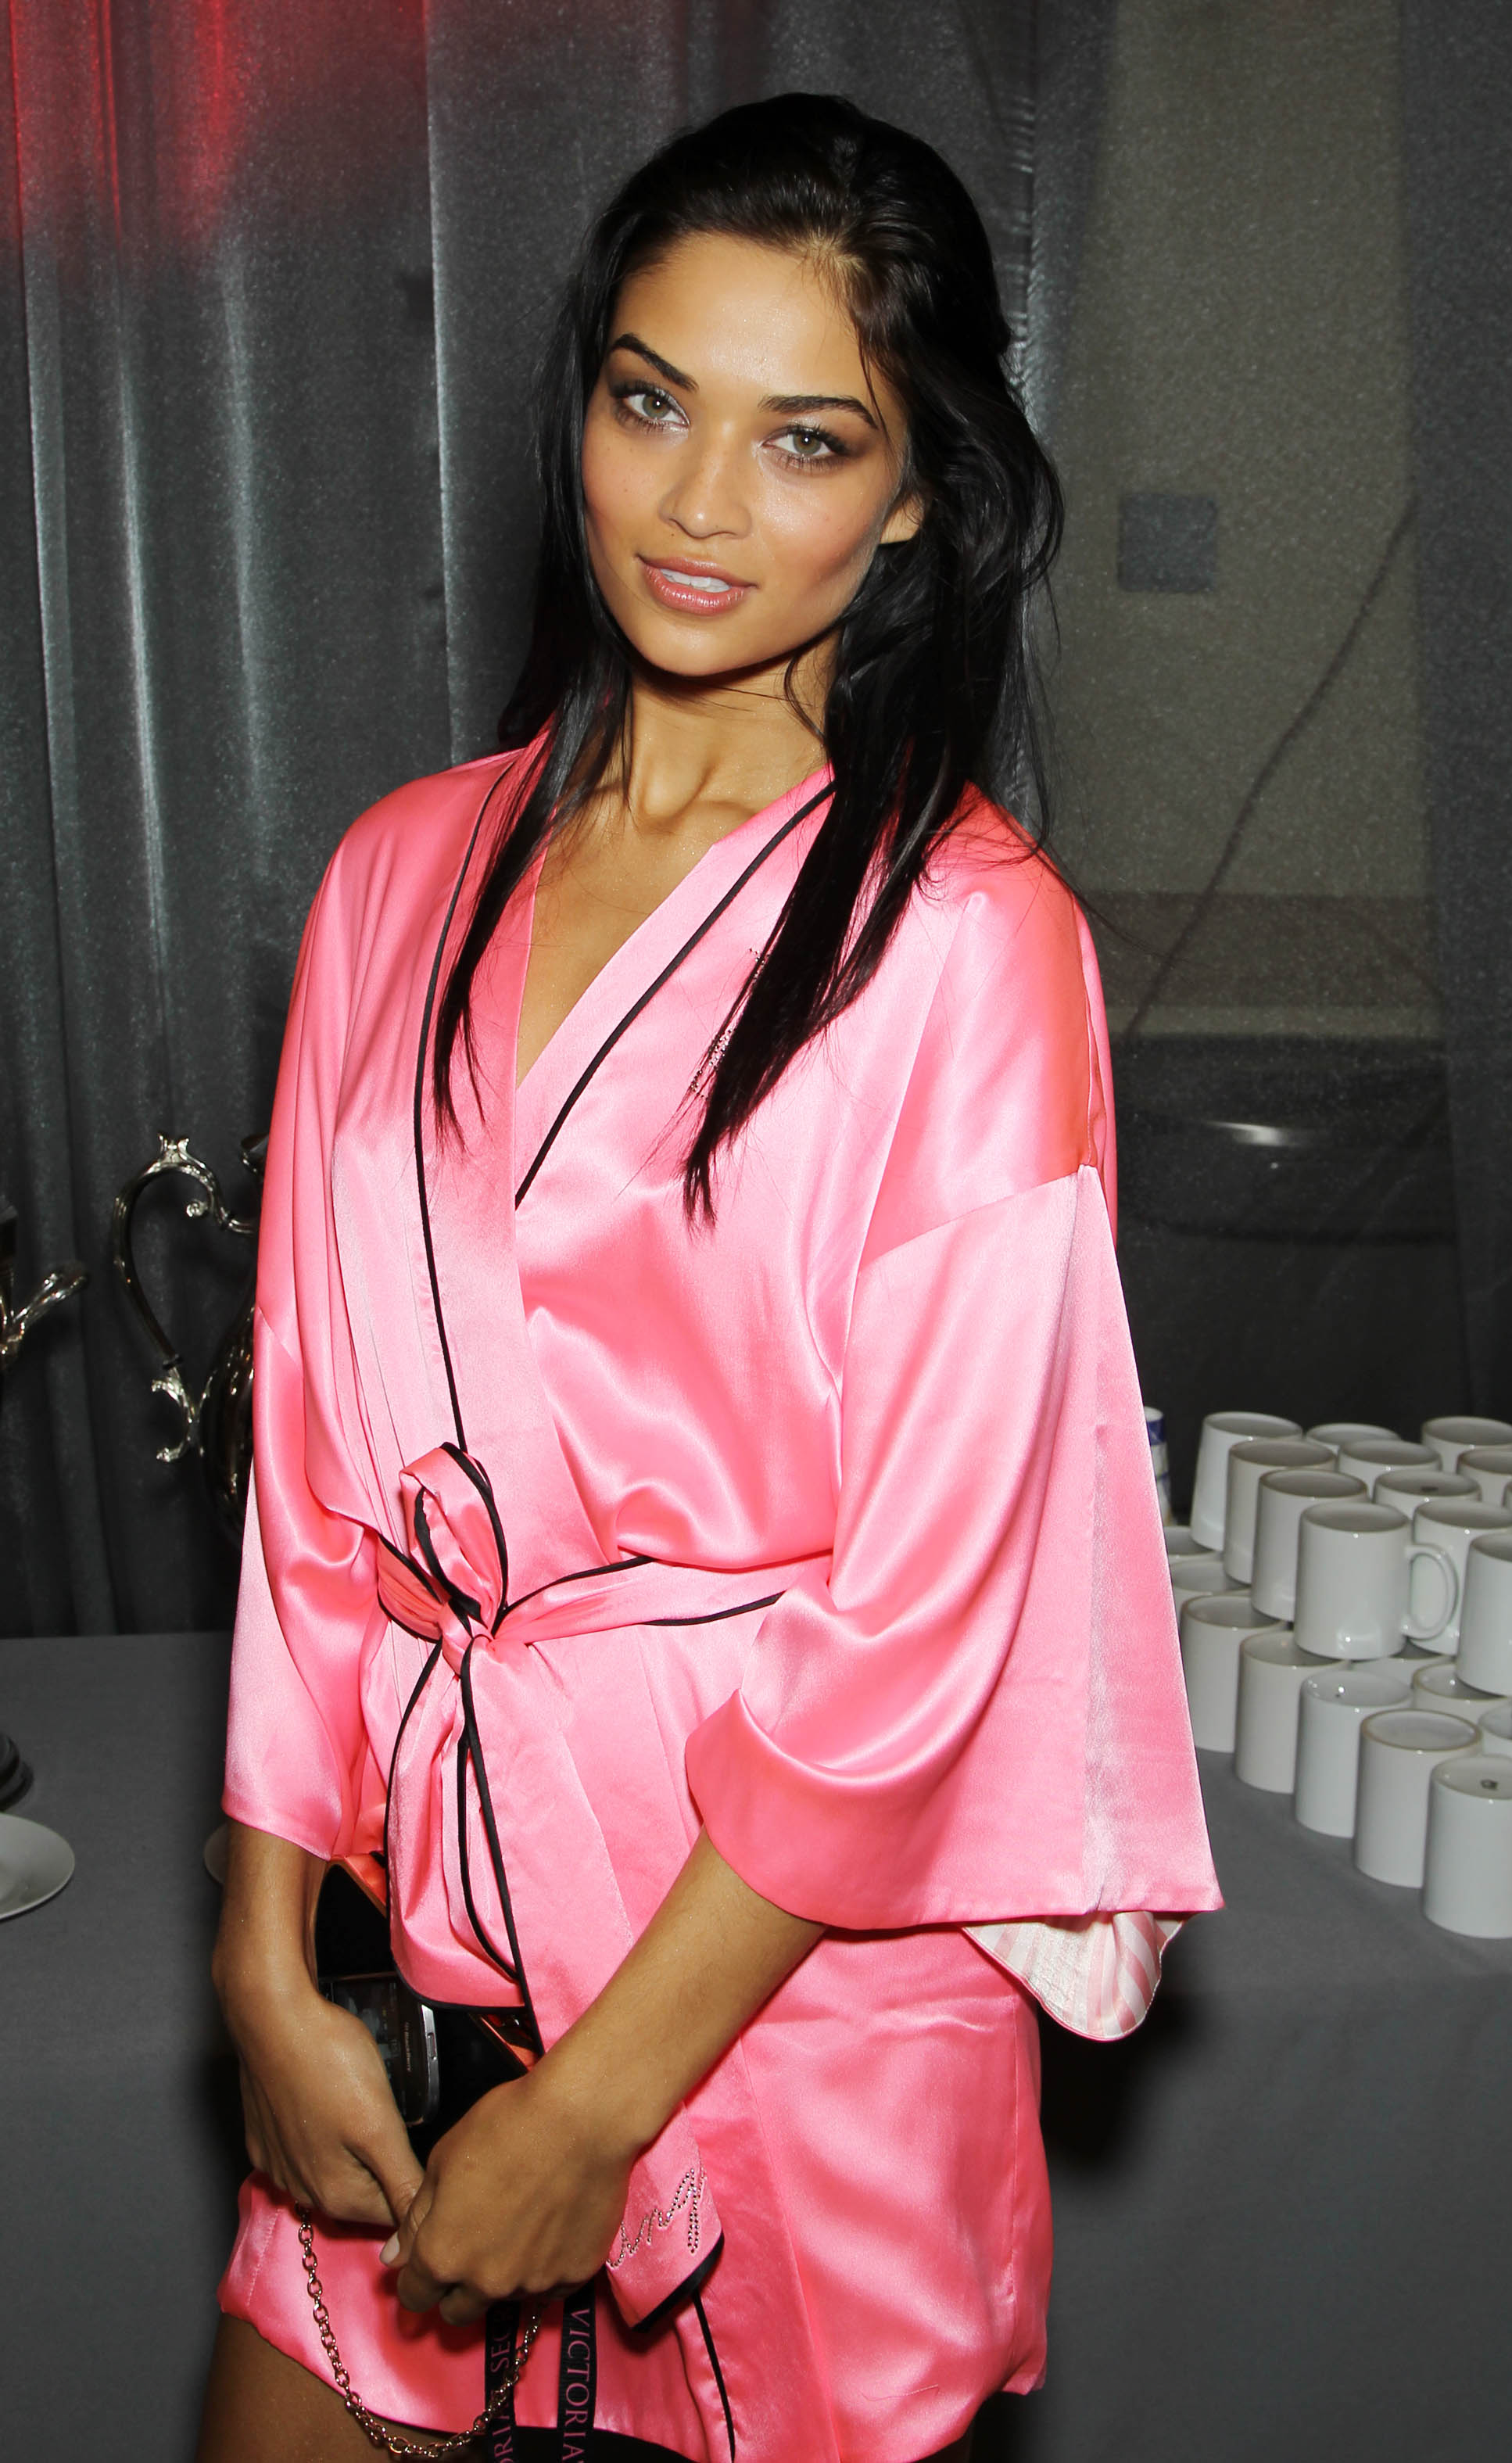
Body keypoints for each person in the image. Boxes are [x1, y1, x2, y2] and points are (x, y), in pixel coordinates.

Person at [196, 91, 1218, 2463]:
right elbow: (316, 1482)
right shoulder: (395, 874)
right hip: (424, 1938)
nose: (695, 502)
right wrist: (258, 1951)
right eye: (651, 401)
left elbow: (922, 1630)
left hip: (779, 2005)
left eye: (804, 440)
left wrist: (597, 2105)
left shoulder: (966, 947)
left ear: (915, 498)